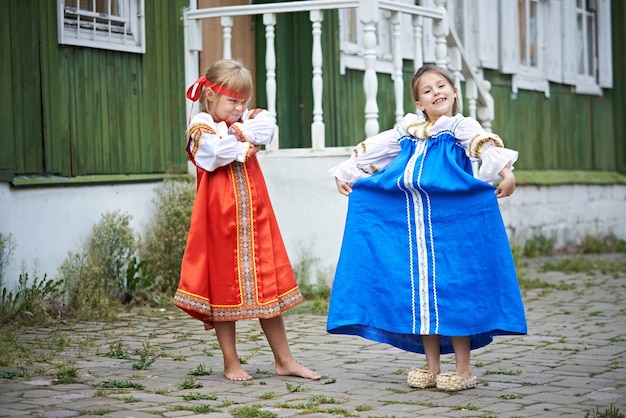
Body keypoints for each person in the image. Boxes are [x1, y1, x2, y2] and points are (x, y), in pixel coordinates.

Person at [326, 64, 527, 392]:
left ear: (455, 91)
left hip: (452, 224)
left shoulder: (459, 127)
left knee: (454, 289)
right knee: (419, 290)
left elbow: (482, 145)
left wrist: (506, 173)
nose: (437, 92)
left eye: (442, 85)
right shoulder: (408, 131)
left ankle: (463, 370)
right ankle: (432, 366)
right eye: (427, 90)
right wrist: (347, 171)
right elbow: (375, 148)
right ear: (419, 103)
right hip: (412, 223)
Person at [173, 59, 320, 382]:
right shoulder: (201, 126)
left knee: (267, 283)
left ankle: (284, 360)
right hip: (219, 217)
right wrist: (241, 140)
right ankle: (231, 362)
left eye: (243, 101)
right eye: (232, 101)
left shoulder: (248, 118)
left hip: (255, 214)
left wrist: (238, 132)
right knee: (223, 284)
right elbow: (212, 155)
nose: (240, 108)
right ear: (210, 96)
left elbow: (267, 127)